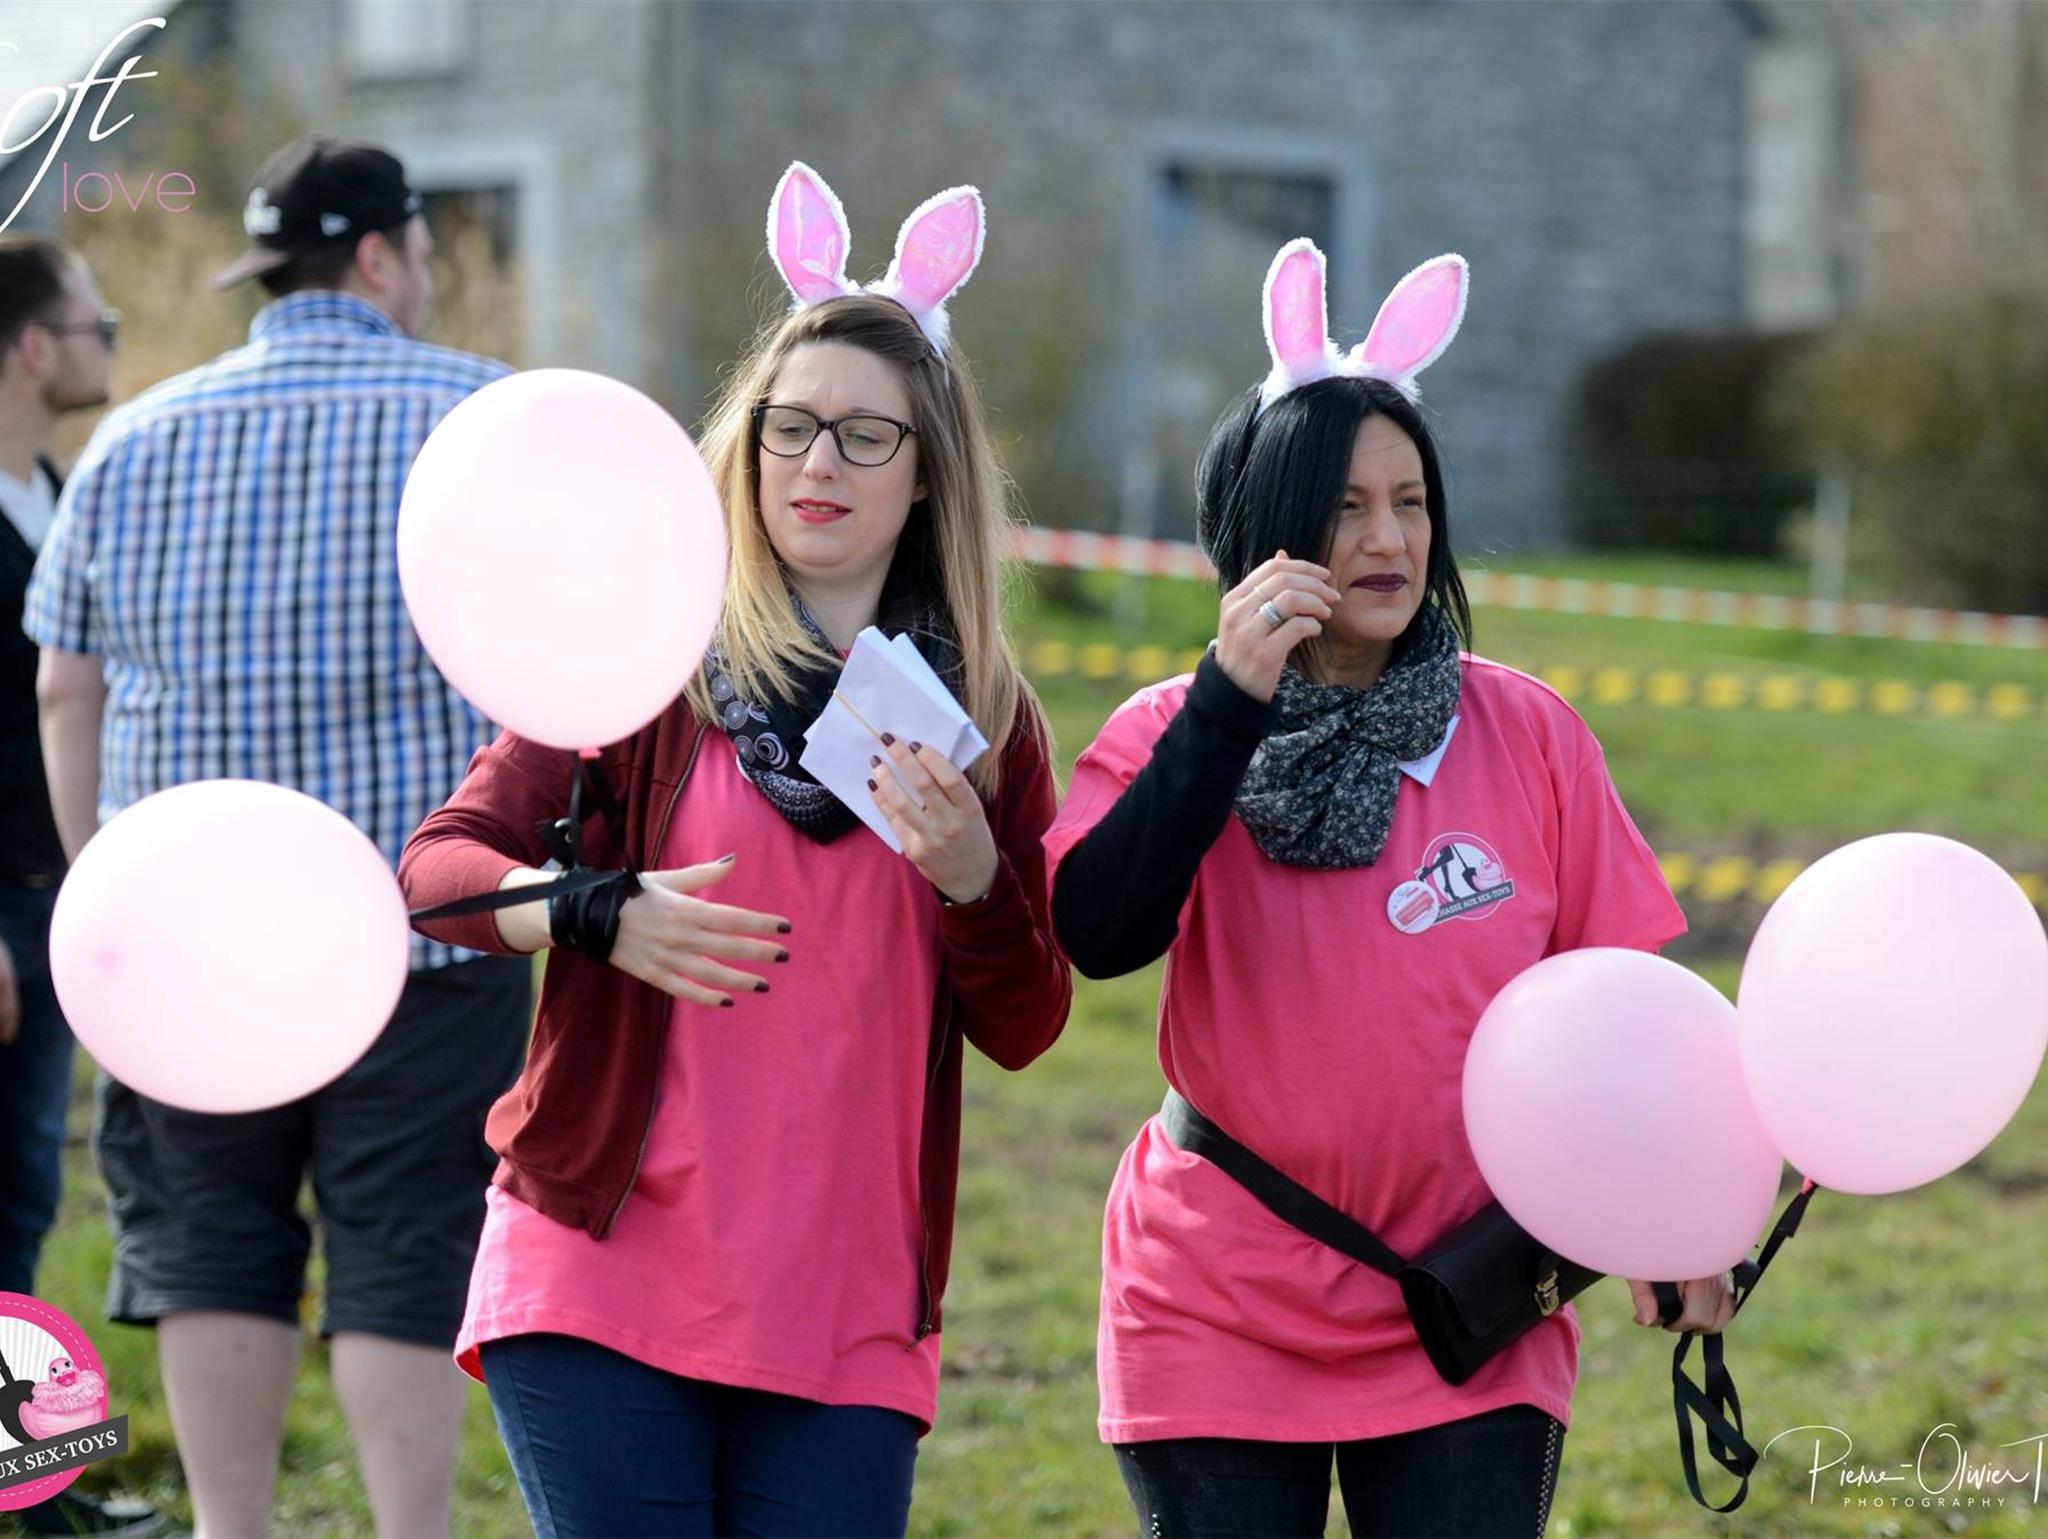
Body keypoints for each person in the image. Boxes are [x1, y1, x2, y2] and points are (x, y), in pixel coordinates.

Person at [400, 161, 1070, 1539]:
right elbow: (440, 870)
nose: (816, 464)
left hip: (846, 1307)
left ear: (931, 469)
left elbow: (1029, 1020)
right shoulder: (644, 653)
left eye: (864, 438)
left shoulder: (985, 720)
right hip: (603, 1266)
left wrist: (970, 883)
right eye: (791, 426)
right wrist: (594, 911)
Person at [1043, 242, 1730, 1539]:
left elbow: (1631, 1006)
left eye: (1411, 503)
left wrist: (1682, 1207)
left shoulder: (1524, 732)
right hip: (1216, 1304)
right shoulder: (1167, 728)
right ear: (1266, 529)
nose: (1386, 539)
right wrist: (1225, 709)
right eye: (1346, 508)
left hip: (1464, 1305)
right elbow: (1098, 933)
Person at [22, 137, 532, 1539]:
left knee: (213, 1251)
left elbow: (66, 682)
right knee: (405, 1243)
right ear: (379, 255)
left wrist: (94, 888)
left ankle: (232, 1531)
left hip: (183, 949)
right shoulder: (482, 420)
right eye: (421, 254)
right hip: (420, 934)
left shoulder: (134, 438)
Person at [0, 237, 164, 1539]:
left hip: (56, 908)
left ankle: (39, 1490)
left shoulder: (56, 490)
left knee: (26, 1204)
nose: (111, 335)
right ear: (32, 344)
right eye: (93, 318)